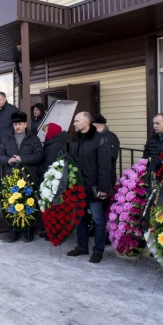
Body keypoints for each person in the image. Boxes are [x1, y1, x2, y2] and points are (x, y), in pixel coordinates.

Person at [66, 112, 111, 263]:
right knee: (80, 218)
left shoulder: (99, 139)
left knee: (98, 219)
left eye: (77, 121)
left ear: (86, 122)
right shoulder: (75, 139)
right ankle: (82, 246)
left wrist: (103, 188)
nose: (74, 123)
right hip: (79, 186)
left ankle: (98, 250)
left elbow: (105, 166)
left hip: (94, 187)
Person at [0, 111, 44, 242]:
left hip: (28, 177)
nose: (17, 127)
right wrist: (8, 160)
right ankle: (14, 233)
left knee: (28, 204)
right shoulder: (7, 139)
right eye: (15, 124)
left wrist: (22, 158)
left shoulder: (33, 139)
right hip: (11, 177)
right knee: (12, 205)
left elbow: (39, 155)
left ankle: (28, 232)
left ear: (25, 124)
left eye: (20, 124)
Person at [93, 114, 120, 189]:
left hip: (107, 177)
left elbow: (112, 156)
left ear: (96, 125)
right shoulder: (94, 137)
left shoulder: (111, 136)